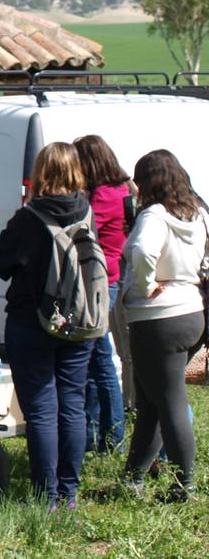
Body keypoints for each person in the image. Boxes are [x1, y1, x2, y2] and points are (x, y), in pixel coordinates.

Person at [0, 142, 93, 510]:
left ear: (41, 173)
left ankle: (45, 497)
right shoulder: (87, 210)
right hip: (79, 322)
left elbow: (0, 262)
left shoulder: (29, 216)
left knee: (42, 411)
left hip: (31, 321)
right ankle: (70, 494)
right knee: (73, 405)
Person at [119, 149, 205, 503]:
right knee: (152, 401)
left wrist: (144, 286)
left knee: (168, 401)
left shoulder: (154, 215)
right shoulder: (198, 213)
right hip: (192, 312)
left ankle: (186, 485)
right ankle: (133, 476)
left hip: (159, 318)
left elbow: (140, 252)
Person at [73, 134, 129, 454]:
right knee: (94, 362)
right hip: (108, 279)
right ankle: (96, 436)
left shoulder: (104, 197)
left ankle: (113, 438)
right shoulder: (120, 190)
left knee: (101, 363)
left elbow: (82, 227)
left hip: (99, 281)